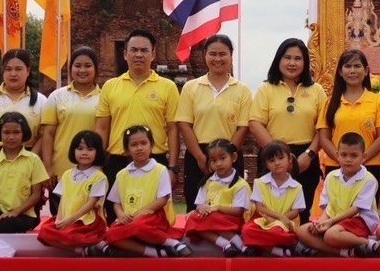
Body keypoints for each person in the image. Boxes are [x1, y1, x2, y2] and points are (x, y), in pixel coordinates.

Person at [249, 38, 326, 218]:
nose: (292, 63)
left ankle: (300, 245)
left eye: (298, 58)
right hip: (272, 156)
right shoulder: (266, 89)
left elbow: (323, 128)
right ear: (279, 60)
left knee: (301, 212)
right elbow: (255, 123)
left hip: (305, 157)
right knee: (269, 211)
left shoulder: (316, 90)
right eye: (287, 57)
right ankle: (272, 244)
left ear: (305, 62)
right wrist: (278, 154)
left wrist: (310, 154)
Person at [176, 35, 252, 208]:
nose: (217, 59)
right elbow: (184, 124)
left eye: (223, 54)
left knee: (231, 207)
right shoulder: (191, 87)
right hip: (199, 155)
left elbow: (243, 128)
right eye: (213, 54)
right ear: (205, 55)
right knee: (197, 207)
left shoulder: (242, 90)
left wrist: (226, 157)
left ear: (231, 56)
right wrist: (201, 157)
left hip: (231, 154)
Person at [96, 29, 180, 184]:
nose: (139, 55)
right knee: (116, 208)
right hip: (118, 161)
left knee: (154, 208)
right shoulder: (110, 86)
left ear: (153, 55)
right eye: (134, 50)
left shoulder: (168, 87)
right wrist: (99, 164)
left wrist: (173, 167)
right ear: (125, 54)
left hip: (155, 161)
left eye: (144, 50)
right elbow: (102, 128)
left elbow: (173, 128)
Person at [103, 125, 190, 258]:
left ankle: (170, 242)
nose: (139, 148)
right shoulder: (122, 174)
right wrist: (120, 215)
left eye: (144, 143)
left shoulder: (160, 170)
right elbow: (116, 202)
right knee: (111, 234)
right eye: (134, 144)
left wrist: (140, 213)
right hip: (129, 218)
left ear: (151, 145)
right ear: (127, 149)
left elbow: (163, 199)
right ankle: (154, 253)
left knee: (139, 226)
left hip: (152, 217)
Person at [296, 132, 380, 257]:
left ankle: (369, 243)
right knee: (302, 231)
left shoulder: (369, 179)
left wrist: (330, 222)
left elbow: (356, 209)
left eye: (354, 155)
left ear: (363, 157)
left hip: (358, 220)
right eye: (344, 155)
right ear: (337, 155)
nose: (348, 159)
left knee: (331, 235)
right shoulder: (331, 176)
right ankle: (345, 252)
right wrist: (321, 222)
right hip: (334, 221)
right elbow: (328, 207)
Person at [317, 49, 380, 189]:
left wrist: (361, 159)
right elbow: (324, 138)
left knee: (365, 210)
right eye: (347, 66)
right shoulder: (329, 103)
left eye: (357, 66)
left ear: (366, 70)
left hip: (369, 167)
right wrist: (341, 159)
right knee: (337, 210)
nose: (352, 70)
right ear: (340, 71)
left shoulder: (377, 101)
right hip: (336, 168)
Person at [37, 48, 103, 204]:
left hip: (94, 172)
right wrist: (48, 167)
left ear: (96, 69)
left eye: (88, 66)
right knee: (60, 221)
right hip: (61, 171)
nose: (82, 70)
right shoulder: (57, 96)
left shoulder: (105, 97)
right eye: (77, 65)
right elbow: (48, 134)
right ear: (70, 68)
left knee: (89, 221)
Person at [35, 130, 110, 252]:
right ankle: (82, 250)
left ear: (98, 152)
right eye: (80, 148)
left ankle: (97, 243)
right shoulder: (67, 174)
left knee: (70, 234)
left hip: (88, 222)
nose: (84, 153)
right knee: (45, 233)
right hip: (67, 220)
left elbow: (91, 204)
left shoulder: (99, 177)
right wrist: (59, 220)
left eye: (90, 149)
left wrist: (70, 220)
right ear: (73, 151)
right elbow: (63, 200)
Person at [0, 113, 48, 234]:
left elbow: (36, 196)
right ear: (0, 134)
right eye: (6, 132)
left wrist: (15, 212)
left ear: (24, 133)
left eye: (16, 132)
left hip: (25, 214)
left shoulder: (33, 160)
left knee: (5, 225)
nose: (11, 137)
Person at [182, 138, 249, 256]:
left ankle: (240, 244)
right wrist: (200, 208)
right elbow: (199, 204)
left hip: (230, 221)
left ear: (233, 157)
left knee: (208, 219)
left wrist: (217, 208)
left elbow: (238, 211)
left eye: (223, 158)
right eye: (213, 160)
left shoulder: (240, 184)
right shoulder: (207, 182)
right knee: (194, 218)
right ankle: (225, 245)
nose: (218, 164)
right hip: (209, 218)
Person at [240, 140, 305, 257]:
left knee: (278, 232)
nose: (277, 163)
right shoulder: (259, 183)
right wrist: (277, 217)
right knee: (247, 230)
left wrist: (280, 220)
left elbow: (295, 212)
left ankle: (255, 245)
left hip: (285, 222)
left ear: (290, 159)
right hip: (263, 220)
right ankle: (275, 250)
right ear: (266, 164)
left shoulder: (297, 187)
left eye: (280, 158)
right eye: (272, 160)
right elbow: (260, 208)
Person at [0, 49, 47, 139]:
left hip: (31, 151)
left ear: (28, 70)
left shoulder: (41, 101)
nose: (13, 74)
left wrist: (31, 153)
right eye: (8, 69)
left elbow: (44, 135)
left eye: (18, 69)